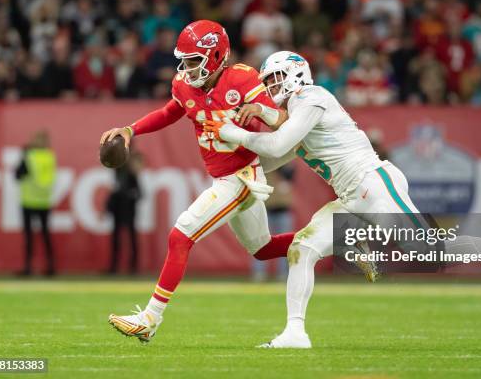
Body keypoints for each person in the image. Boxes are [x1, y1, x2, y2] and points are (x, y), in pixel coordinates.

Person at [204, 51, 481, 349]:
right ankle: (295, 331)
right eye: (266, 83)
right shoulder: (294, 114)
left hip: (374, 185)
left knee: (433, 252)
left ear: (296, 74)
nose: (270, 88)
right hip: (350, 197)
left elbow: (278, 144)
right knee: (303, 248)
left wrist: (231, 131)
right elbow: (268, 158)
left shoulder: (312, 97)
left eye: (274, 79)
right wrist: (226, 156)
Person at [101, 20, 297, 343]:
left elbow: (284, 121)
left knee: (181, 235)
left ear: (217, 55)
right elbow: (169, 112)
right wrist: (130, 129)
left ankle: (150, 317)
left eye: (194, 60)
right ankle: (337, 239)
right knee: (263, 249)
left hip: (241, 177)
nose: (187, 68)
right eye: (185, 60)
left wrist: (259, 109)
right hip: (226, 177)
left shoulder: (244, 79)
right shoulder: (184, 85)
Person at [15, 130, 56, 276]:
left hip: (29, 200)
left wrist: (24, 155)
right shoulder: (50, 157)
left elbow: (18, 174)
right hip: (44, 201)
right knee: (46, 236)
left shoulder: (29, 156)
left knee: (29, 237)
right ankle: (51, 266)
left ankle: (28, 267)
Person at [106, 149, 143, 275]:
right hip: (120, 207)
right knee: (118, 238)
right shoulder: (120, 172)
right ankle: (116, 266)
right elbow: (115, 191)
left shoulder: (129, 175)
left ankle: (131, 266)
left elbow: (139, 194)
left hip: (127, 208)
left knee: (129, 237)